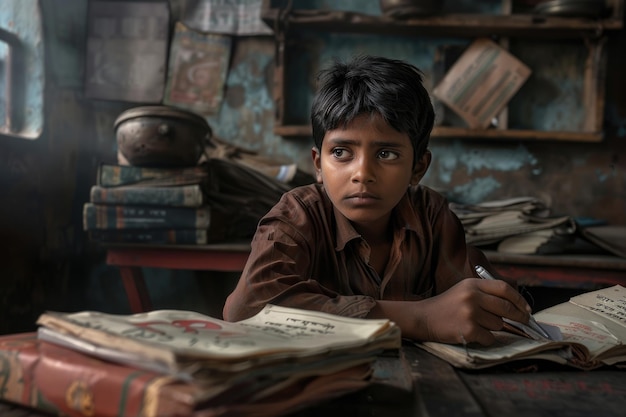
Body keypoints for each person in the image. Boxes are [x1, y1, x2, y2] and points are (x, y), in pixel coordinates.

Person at [223, 55, 532, 346]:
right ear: (318, 164)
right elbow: (248, 311)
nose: (363, 174)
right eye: (341, 152)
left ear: (418, 168)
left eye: (386, 154)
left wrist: (486, 304)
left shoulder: (432, 216)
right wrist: (421, 318)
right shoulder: (297, 215)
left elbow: (471, 309)